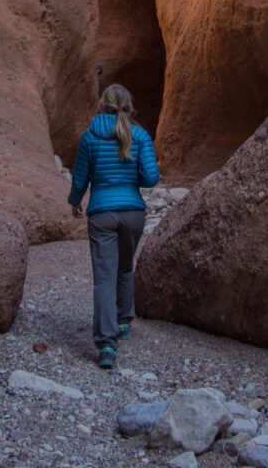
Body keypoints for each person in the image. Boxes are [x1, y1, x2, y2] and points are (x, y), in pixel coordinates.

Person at [68, 83, 159, 368]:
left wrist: (75, 201)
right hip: (133, 211)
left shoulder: (90, 136)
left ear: (102, 105)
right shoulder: (140, 135)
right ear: (129, 106)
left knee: (104, 276)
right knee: (124, 266)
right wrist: (132, 182)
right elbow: (151, 178)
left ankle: (107, 345)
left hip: (102, 214)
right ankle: (123, 321)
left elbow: (81, 176)